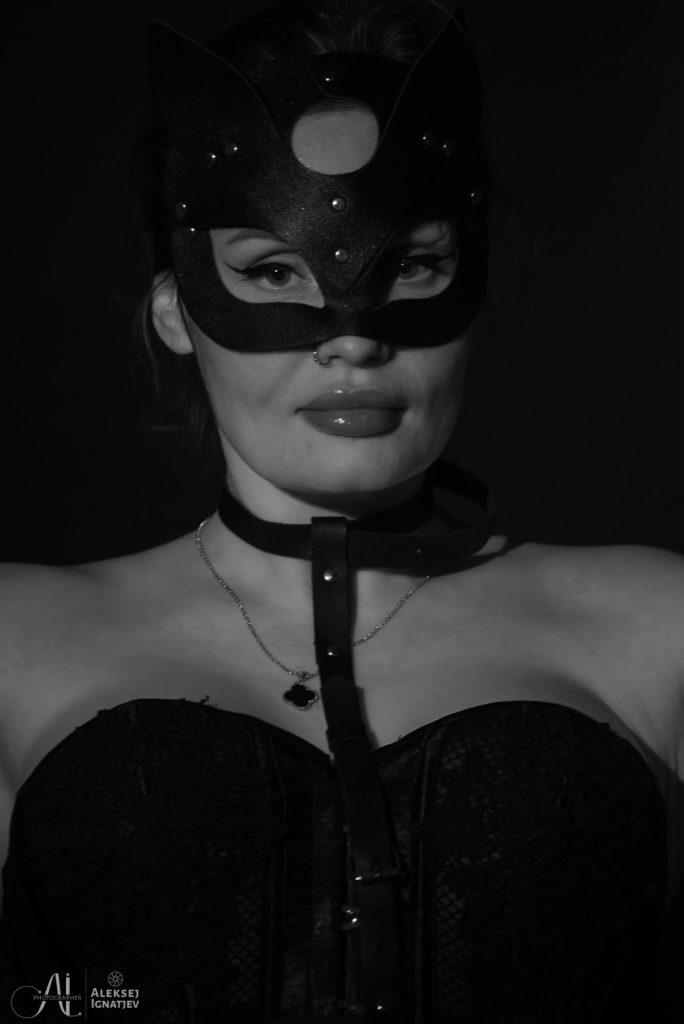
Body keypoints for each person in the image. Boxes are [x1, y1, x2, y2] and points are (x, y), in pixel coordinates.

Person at [0, 0, 682, 1021]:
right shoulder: (11, 643)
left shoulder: (662, 629)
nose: (353, 339)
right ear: (175, 310)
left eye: (412, 265)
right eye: (273, 271)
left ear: (476, 289)